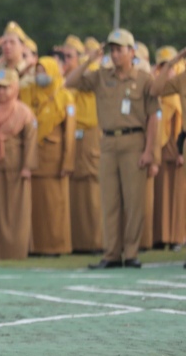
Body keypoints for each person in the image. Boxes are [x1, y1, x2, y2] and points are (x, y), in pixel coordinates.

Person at [67, 29, 160, 269]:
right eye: (112, 50)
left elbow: (153, 117)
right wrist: (90, 59)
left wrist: (150, 150)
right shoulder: (101, 76)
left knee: (133, 200)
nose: (115, 54)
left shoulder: (144, 79)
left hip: (134, 142)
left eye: (119, 50)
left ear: (131, 52)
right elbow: (71, 82)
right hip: (107, 142)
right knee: (109, 201)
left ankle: (130, 253)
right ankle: (111, 253)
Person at [21, 56, 76, 256]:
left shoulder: (64, 96)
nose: (39, 76)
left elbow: (69, 134)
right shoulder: (27, 92)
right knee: (35, 206)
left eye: (43, 71)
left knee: (54, 205)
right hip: (33, 157)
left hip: (54, 160)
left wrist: (67, 162)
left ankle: (55, 246)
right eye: (37, 71)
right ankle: (35, 246)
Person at [0, 69, 38, 260]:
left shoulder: (24, 112)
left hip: (15, 168)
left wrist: (27, 167)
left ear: (15, 88)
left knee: (17, 212)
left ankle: (16, 250)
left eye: (6, 88)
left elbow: (31, 141)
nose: (1, 92)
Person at [59, 36, 103, 253]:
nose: (65, 60)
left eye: (70, 56)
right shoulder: (63, 75)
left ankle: (94, 241)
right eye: (63, 56)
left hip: (89, 134)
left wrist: (87, 62)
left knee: (91, 187)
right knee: (74, 187)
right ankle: (77, 241)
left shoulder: (89, 71)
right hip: (71, 135)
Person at [151, 47, 184, 249]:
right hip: (170, 144)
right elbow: (155, 89)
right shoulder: (180, 80)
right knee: (164, 193)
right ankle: (164, 237)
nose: (168, 69)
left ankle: (178, 236)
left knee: (180, 195)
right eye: (162, 65)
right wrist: (171, 63)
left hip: (177, 145)